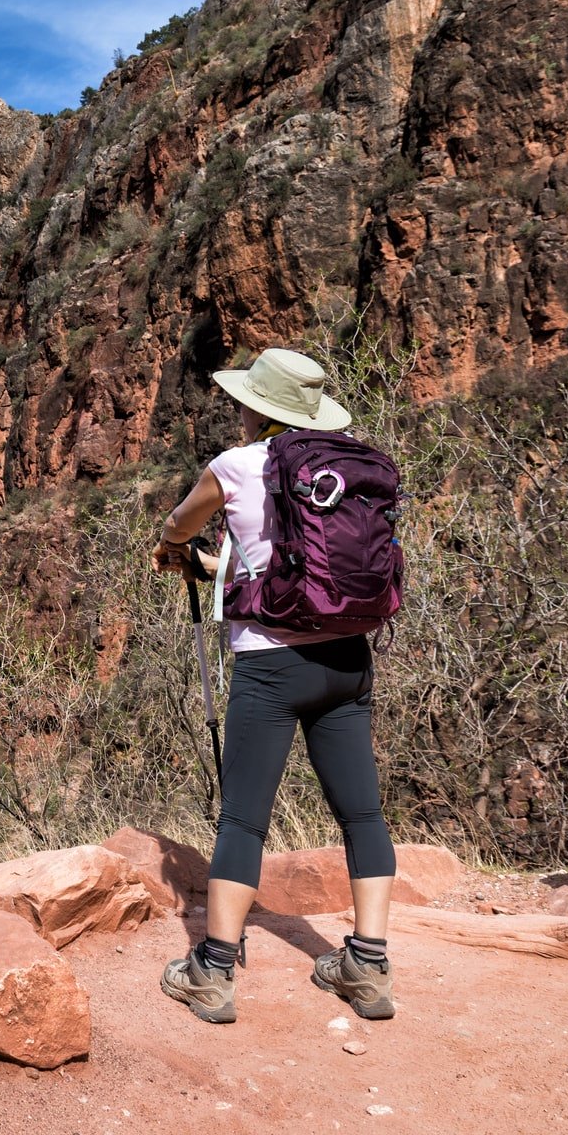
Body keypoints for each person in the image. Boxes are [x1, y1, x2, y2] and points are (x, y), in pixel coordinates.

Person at [149, 348, 397, 1025]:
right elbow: (268, 557)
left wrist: (173, 547)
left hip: (270, 664)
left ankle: (212, 969)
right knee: (361, 814)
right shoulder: (347, 463)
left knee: (243, 818)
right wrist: (212, 563)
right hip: (346, 656)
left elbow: (180, 525)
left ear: (254, 406)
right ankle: (366, 964)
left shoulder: (235, 464)